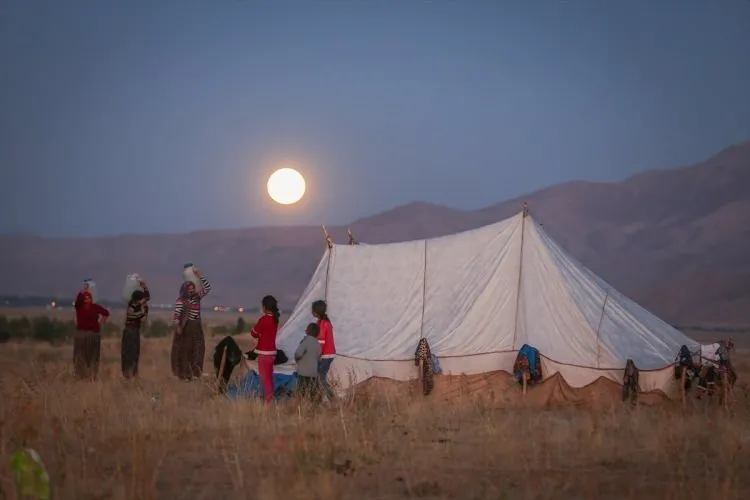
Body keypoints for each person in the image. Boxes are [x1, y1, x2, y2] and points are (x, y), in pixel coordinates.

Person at [171, 268, 212, 381]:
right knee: (185, 351)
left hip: (197, 327)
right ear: (185, 290)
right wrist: (178, 327)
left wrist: (201, 276)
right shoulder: (181, 301)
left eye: (193, 288)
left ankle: (196, 373)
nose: (191, 290)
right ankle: (185, 374)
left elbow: (208, 288)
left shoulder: (197, 298)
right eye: (189, 289)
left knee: (198, 350)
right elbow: (177, 316)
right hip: (186, 329)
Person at [248, 295, 280, 404]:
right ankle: (270, 398)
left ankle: (267, 401)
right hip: (272, 353)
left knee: (264, 378)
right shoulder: (275, 320)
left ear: (265, 307)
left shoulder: (264, 319)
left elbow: (254, 333)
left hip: (263, 353)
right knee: (269, 378)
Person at [73, 288, 110, 380]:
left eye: (89, 298)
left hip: (93, 334)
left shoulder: (95, 307)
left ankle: (92, 376)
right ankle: (80, 376)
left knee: (93, 356)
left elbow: (106, 313)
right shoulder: (79, 307)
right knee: (80, 356)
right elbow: (78, 300)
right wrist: (82, 291)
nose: (87, 300)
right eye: (85, 298)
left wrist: (101, 322)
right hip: (81, 335)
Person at [121, 279, 150, 379]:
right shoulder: (133, 307)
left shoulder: (134, 304)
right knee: (131, 353)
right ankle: (129, 374)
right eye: (142, 299)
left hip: (132, 331)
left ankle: (132, 373)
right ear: (138, 299)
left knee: (133, 353)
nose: (144, 301)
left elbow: (147, 298)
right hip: (131, 333)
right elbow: (141, 318)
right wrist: (145, 310)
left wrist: (144, 287)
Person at [312, 299, 336, 400]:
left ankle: (330, 397)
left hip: (325, 355)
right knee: (320, 377)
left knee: (320, 378)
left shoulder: (322, 324)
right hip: (329, 354)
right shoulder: (326, 323)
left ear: (316, 312)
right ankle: (323, 397)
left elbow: (321, 342)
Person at [294, 323, 321, 404]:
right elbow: (318, 356)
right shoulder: (317, 344)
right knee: (313, 393)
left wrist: (297, 360)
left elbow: (298, 353)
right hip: (313, 373)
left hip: (303, 372)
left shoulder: (305, 342)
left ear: (307, 331)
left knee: (301, 392)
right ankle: (314, 408)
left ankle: (300, 408)